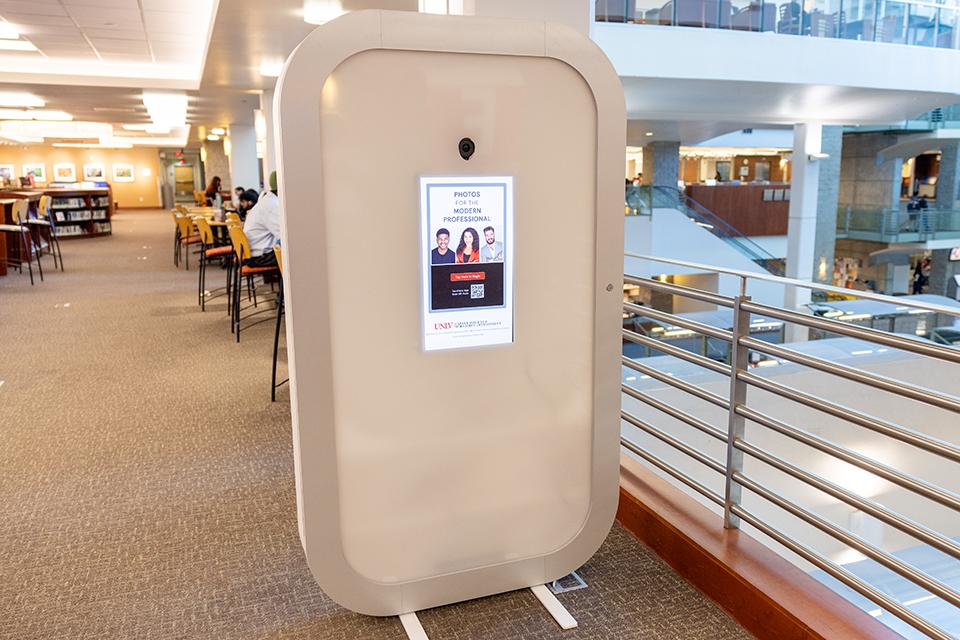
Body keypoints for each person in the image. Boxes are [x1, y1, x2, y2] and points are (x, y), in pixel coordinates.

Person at [242, 171, 280, 267]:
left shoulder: (268, 201)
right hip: (260, 258)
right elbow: (284, 235)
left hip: (255, 253)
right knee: (296, 252)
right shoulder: (271, 205)